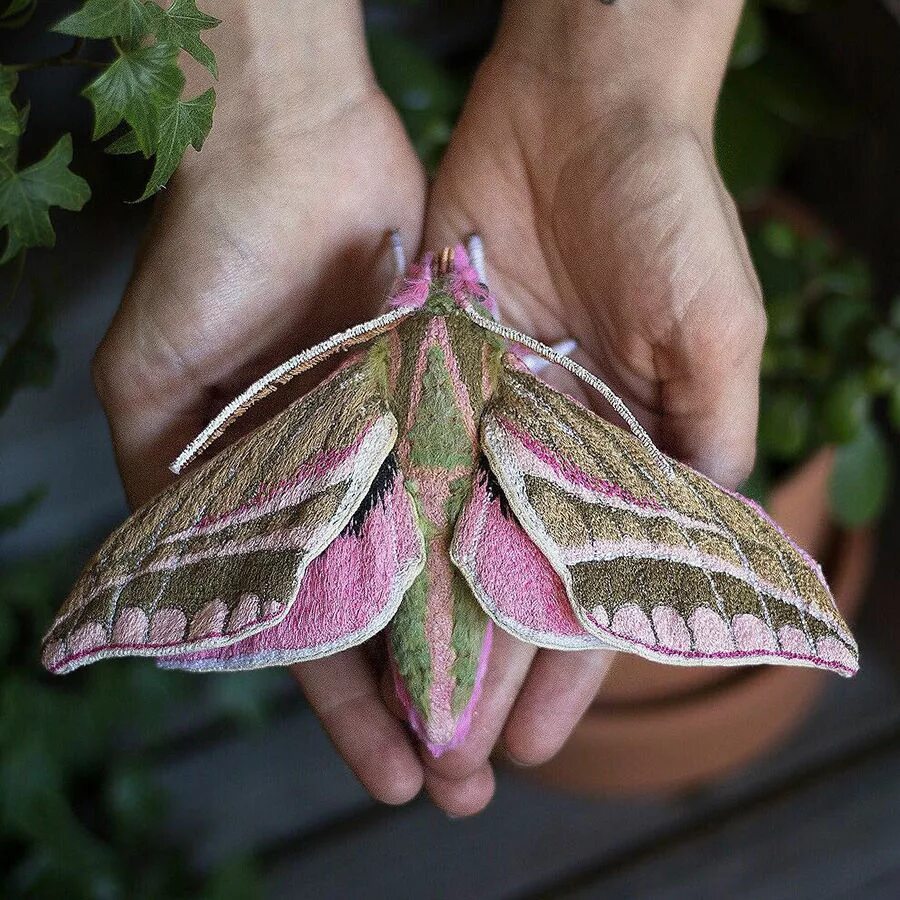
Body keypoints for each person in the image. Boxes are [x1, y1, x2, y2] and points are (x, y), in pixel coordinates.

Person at [91, 0, 766, 817]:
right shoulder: (522, 373)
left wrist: (271, 124)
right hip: (498, 483)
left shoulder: (350, 373)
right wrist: (624, 95)